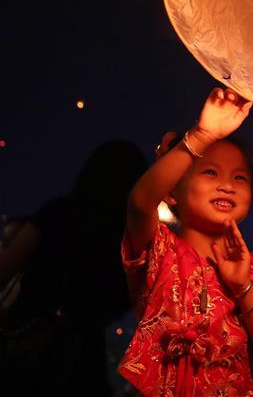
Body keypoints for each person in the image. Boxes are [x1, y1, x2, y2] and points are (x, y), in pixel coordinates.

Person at [118, 87, 253, 396]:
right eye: (210, 172)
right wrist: (202, 135)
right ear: (173, 192)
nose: (226, 185)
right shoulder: (159, 247)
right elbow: (140, 203)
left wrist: (243, 287)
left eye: (240, 178)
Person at [0, 140, 147, 396]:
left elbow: (5, 268)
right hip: (84, 356)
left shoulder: (58, 213)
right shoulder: (129, 242)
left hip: (27, 342)